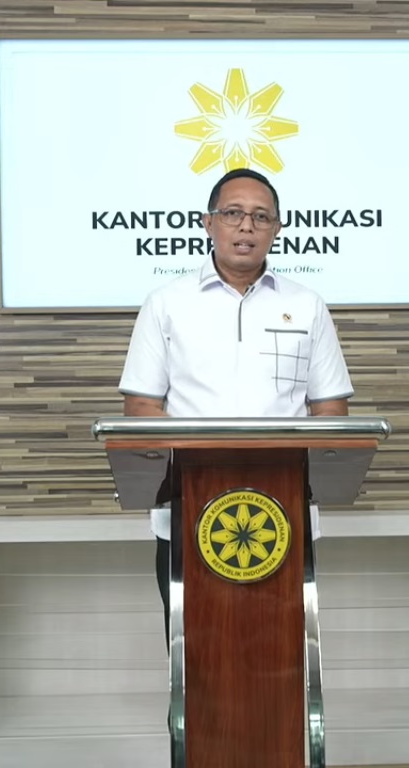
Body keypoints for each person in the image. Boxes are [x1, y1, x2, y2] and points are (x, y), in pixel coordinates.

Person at [118, 167, 354, 639]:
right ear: (209, 223)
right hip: (188, 510)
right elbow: (140, 408)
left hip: (283, 514)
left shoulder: (307, 305)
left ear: (277, 229)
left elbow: (332, 412)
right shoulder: (166, 303)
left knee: (281, 650)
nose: (247, 226)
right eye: (233, 213)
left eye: (261, 216)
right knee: (193, 653)